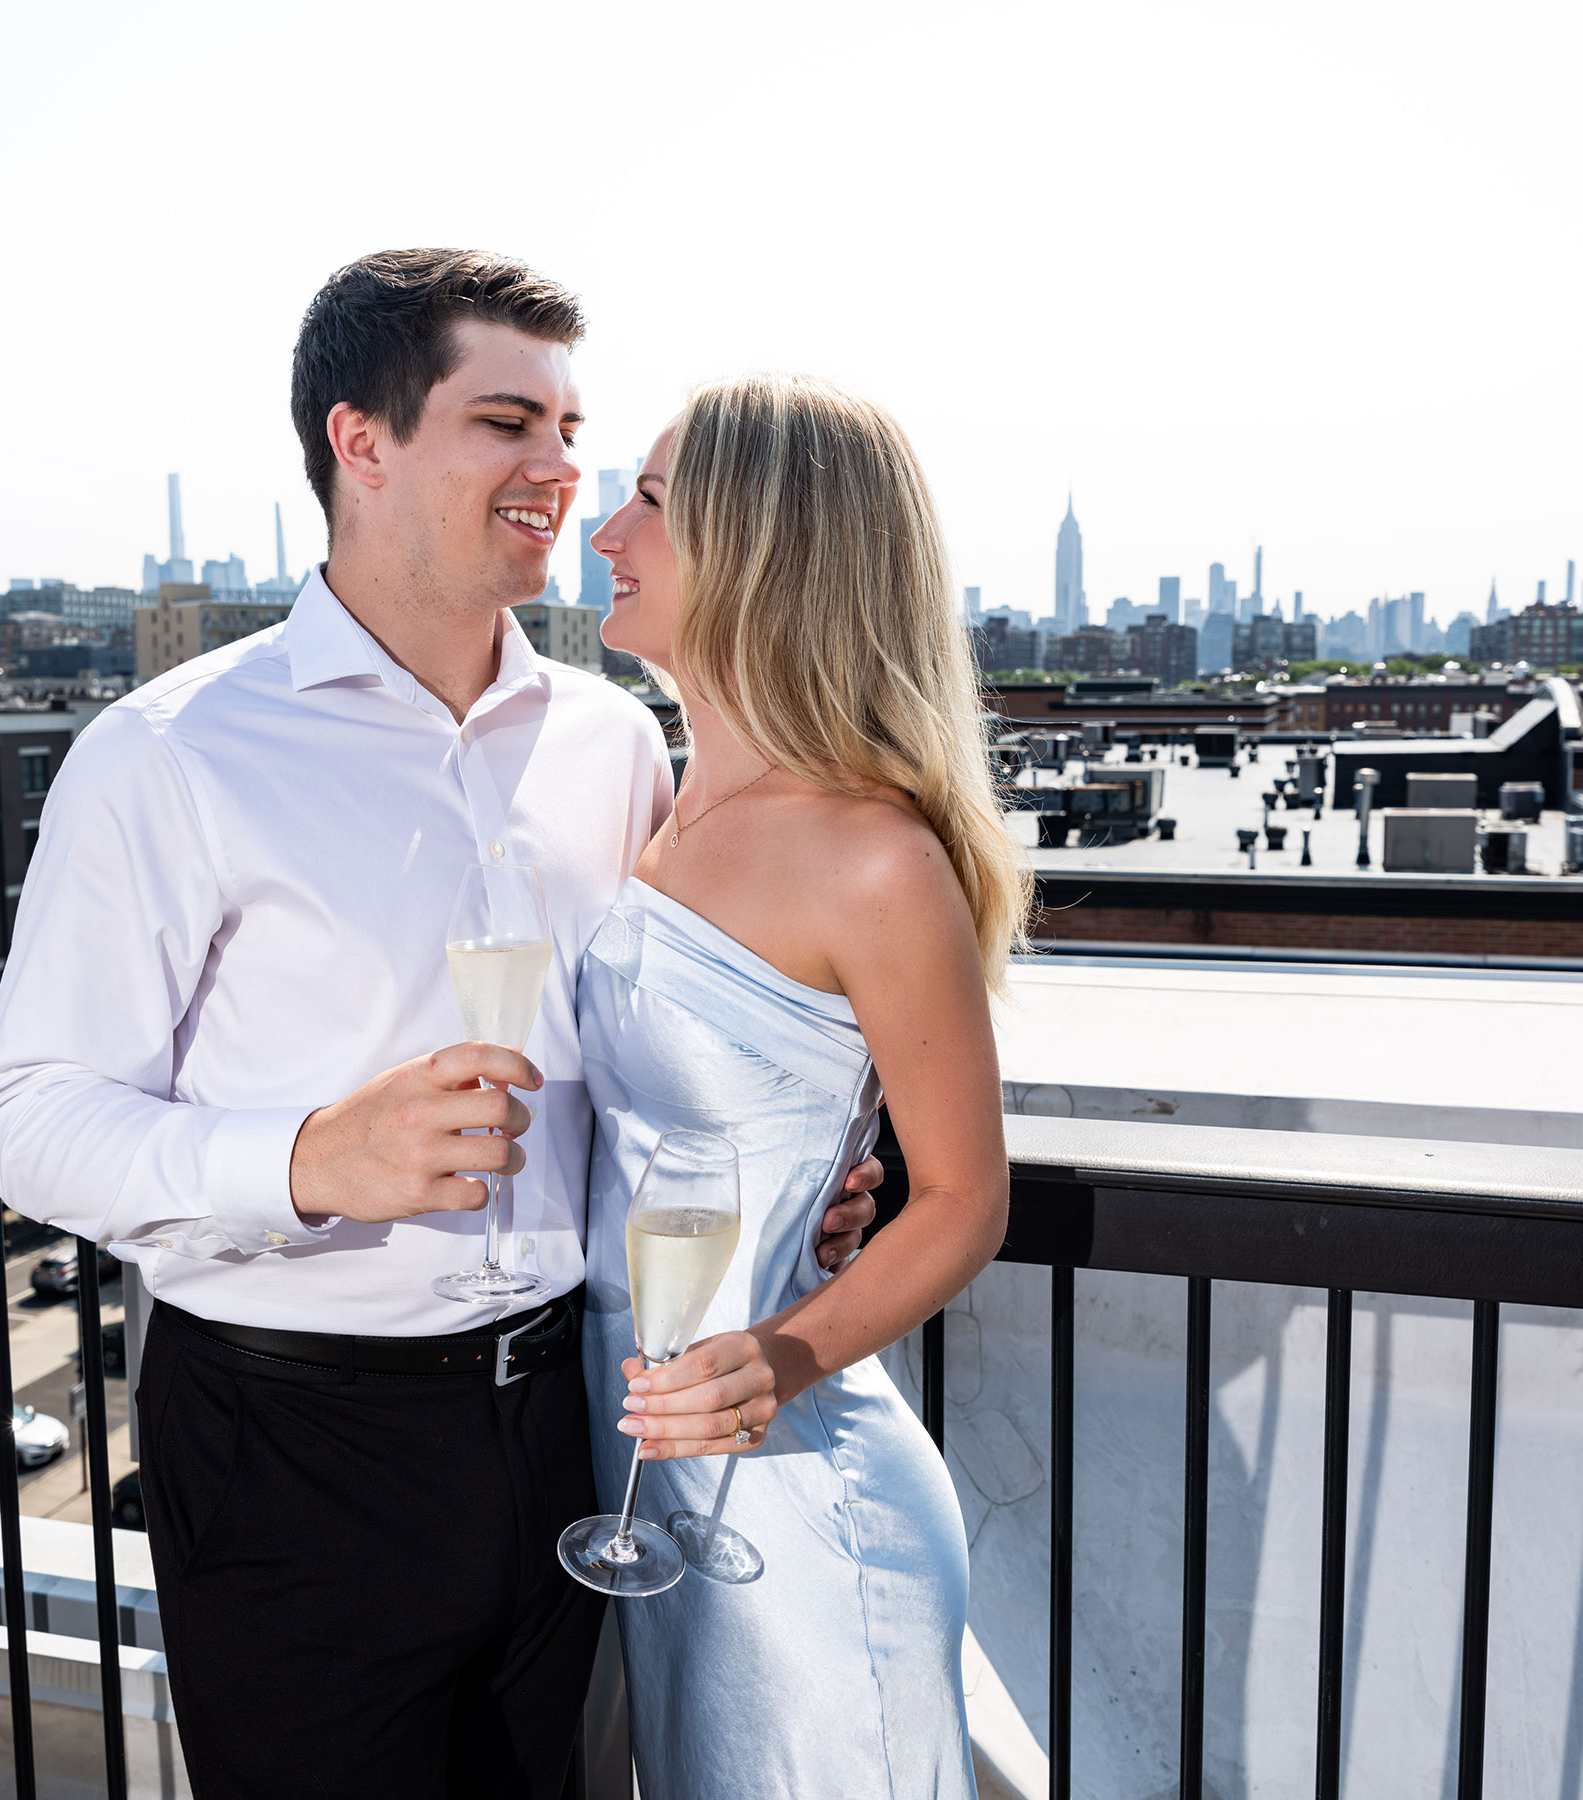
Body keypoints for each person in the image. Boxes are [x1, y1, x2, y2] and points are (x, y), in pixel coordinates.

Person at [0, 251, 879, 1799]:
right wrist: (316, 1156)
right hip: (288, 1447)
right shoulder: (168, 754)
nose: (560, 473)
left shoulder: (615, 740)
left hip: (567, 1438)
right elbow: (29, 1118)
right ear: (362, 440)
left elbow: (679, 1040)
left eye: (572, 430)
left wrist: (811, 1183)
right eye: (506, 422)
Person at [575, 374, 1023, 1797]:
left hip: (796, 1492)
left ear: (762, 550)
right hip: (644, 1469)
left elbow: (962, 1198)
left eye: (649, 500)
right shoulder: (653, 798)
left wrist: (778, 1356)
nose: (604, 531)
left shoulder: (872, 855)